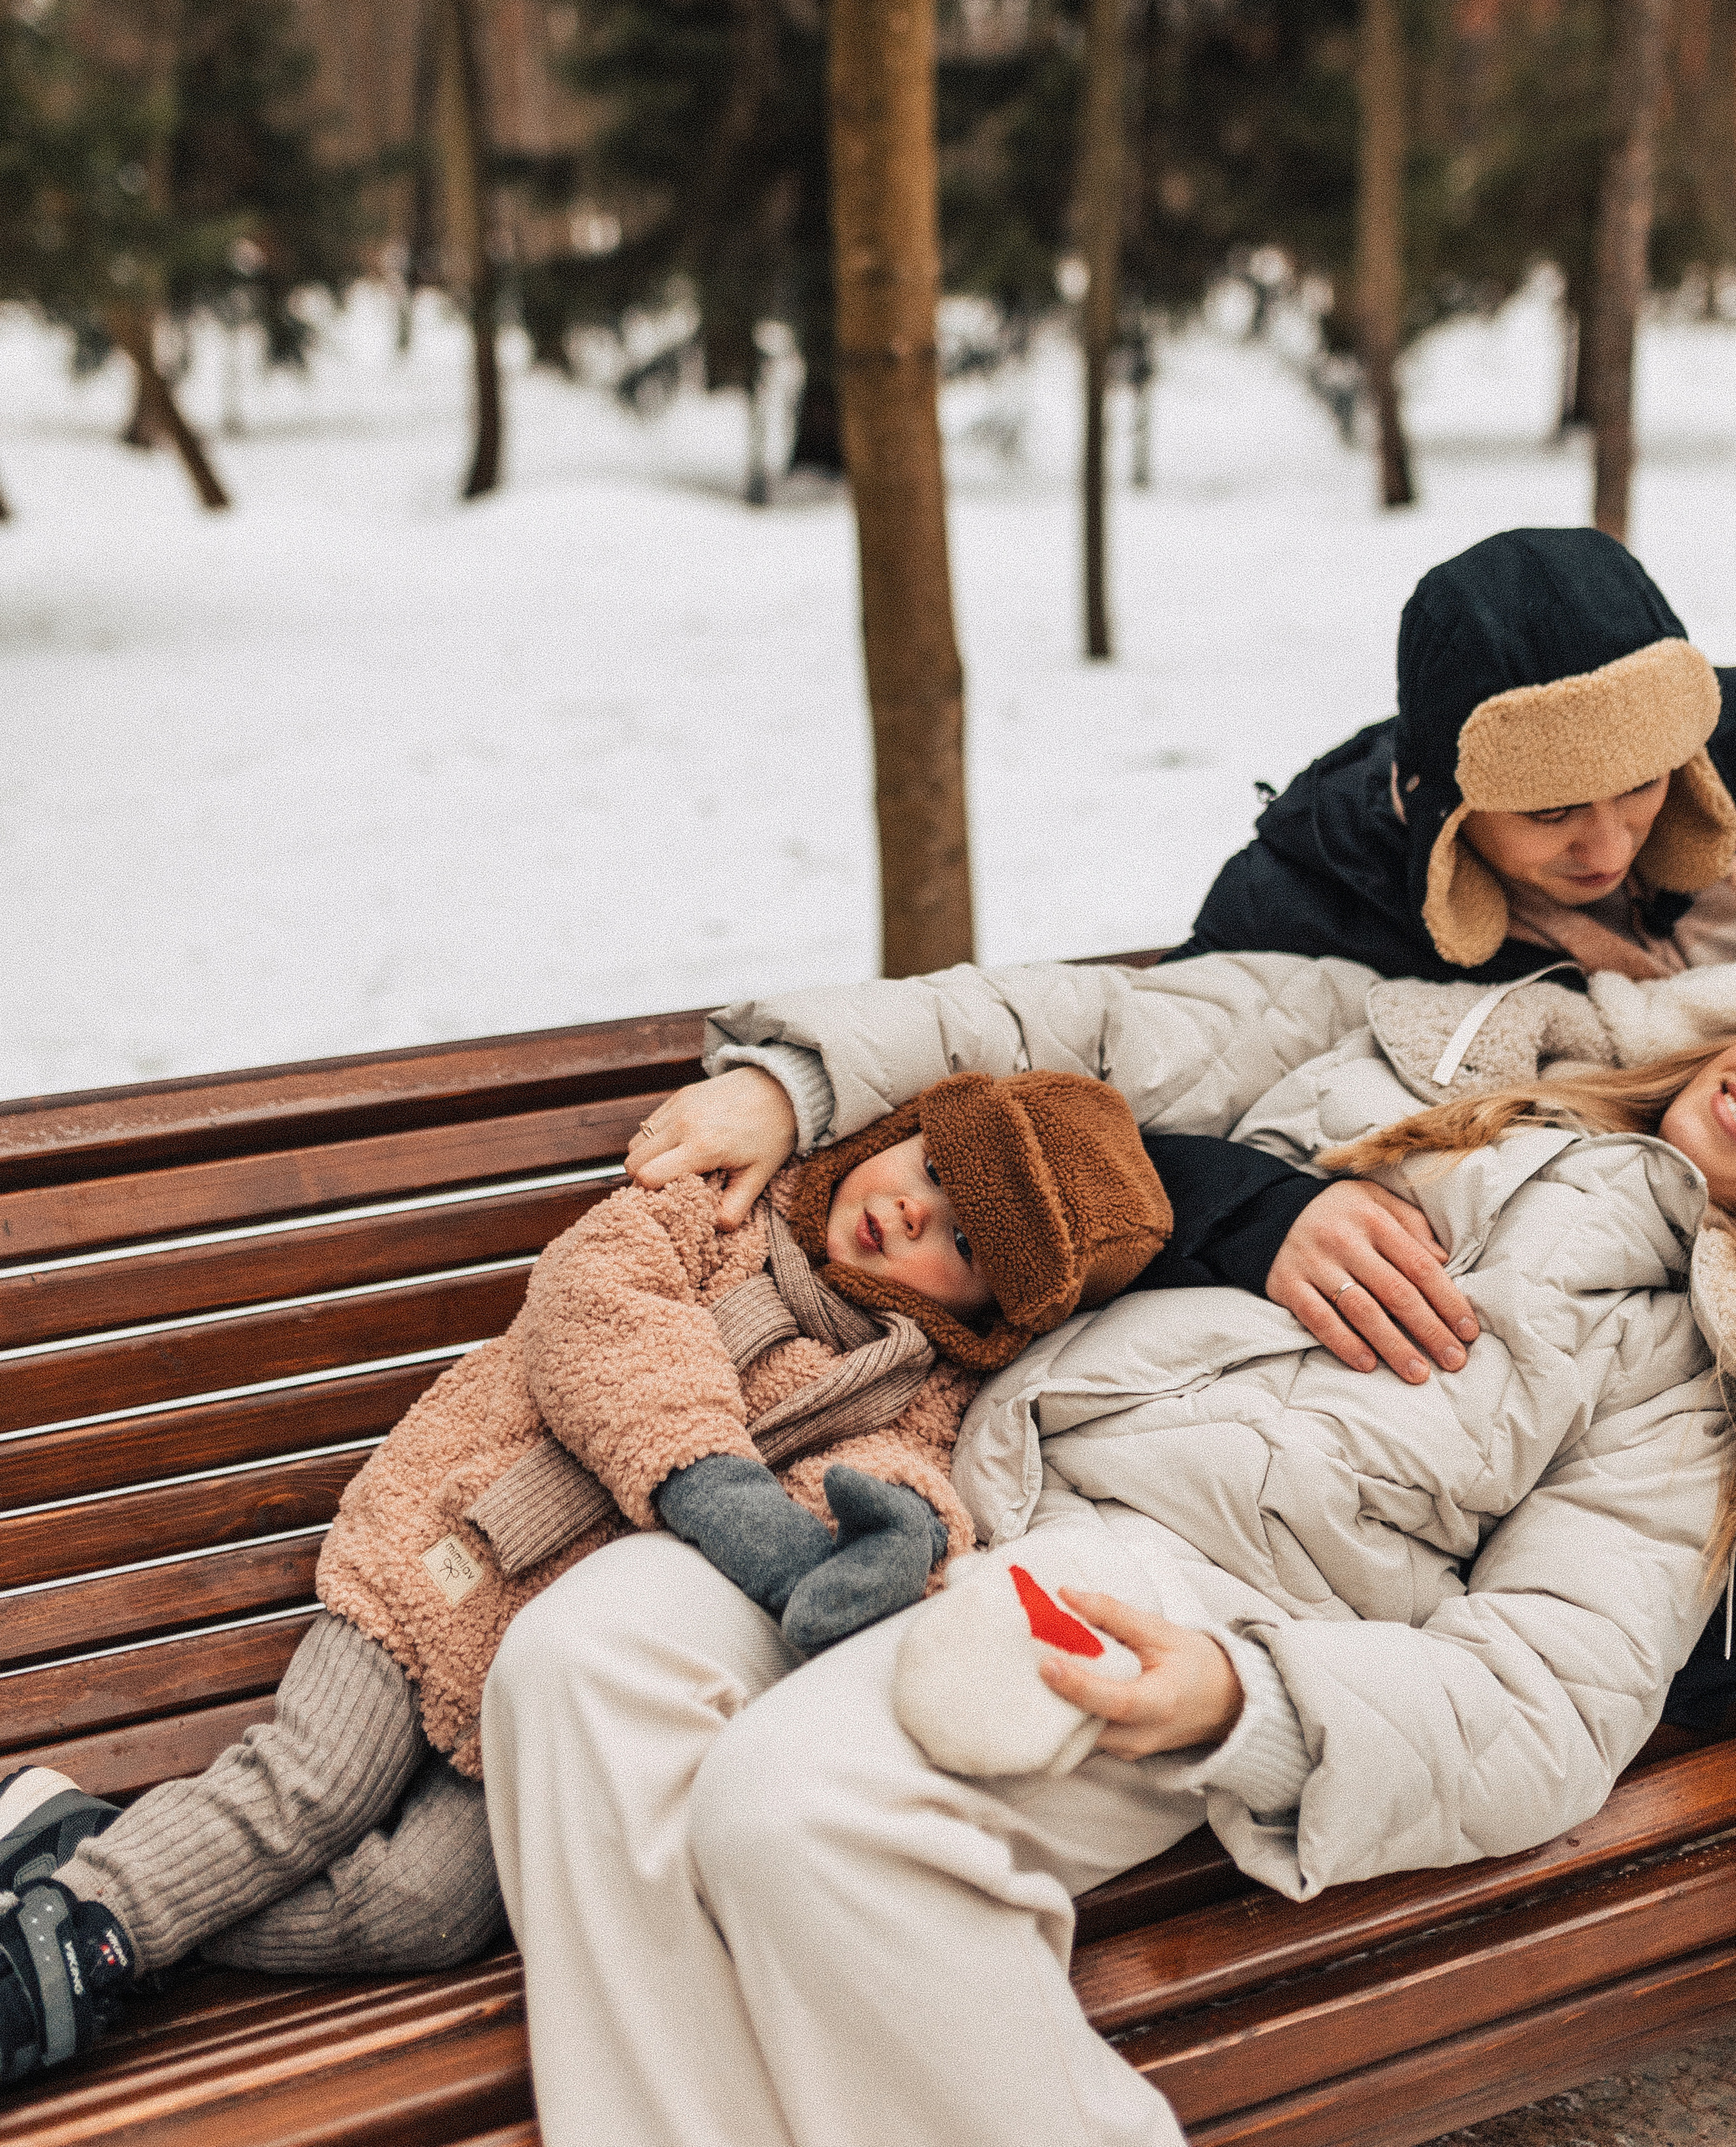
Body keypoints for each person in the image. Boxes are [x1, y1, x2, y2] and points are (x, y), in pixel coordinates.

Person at [483, 951, 1736, 2147]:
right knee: (582, 1662)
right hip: (939, 1478)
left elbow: (1550, 1699)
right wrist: (791, 1086)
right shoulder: (1435, 1038)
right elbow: (1074, 1027)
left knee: (808, 1808)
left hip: (1188, 1585)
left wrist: (1248, 1700)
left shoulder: (1685, 1375)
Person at [0, 1063, 1355, 2087]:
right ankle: (82, 1934)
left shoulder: (919, 1392)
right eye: (927, 1172)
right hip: (445, 1567)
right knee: (310, 1789)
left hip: (541, 1691)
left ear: (992, 1312)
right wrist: (712, 1488)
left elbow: (895, 1485)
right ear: (896, 1136)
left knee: (426, 1911)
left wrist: (874, 1552)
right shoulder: (720, 1222)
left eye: (959, 1239)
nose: (908, 1213)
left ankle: (87, 1843)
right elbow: (600, 1318)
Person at [1173, 526, 1736, 985]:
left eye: (1641, 785)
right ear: (1446, 803)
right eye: (1549, 812)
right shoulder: (1295, 905)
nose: (1610, 848)